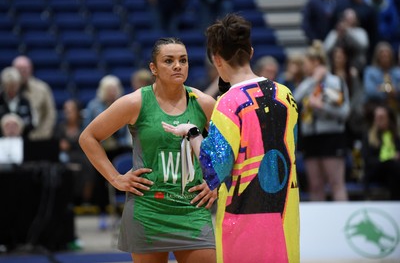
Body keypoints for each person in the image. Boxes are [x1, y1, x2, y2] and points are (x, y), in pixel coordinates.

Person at [162, 14, 300, 263]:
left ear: (216, 59)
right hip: (284, 214)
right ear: (251, 51)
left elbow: (215, 169)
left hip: (244, 220)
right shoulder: (286, 94)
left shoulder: (227, 103)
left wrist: (192, 132)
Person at [79, 37, 217, 263]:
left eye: (183, 60)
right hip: (148, 208)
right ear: (153, 68)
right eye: (169, 61)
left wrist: (216, 182)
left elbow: (230, 147)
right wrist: (115, 178)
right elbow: (88, 137)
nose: (178, 66)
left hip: (191, 208)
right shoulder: (135, 102)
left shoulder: (203, 102)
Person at [293, 40, 350, 201]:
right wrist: (313, 80)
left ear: (316, 62)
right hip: (310, 137)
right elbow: (293, 99)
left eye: (306, 63)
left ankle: (343, 222)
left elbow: (345, 111)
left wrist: (322, 107)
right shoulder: (307, 83)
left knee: (336, 183)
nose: (304, 67)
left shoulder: (335, 81)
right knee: (315, 184)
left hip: (331, 136)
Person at [83, 74, 130, 229]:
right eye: (109, 89)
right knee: (100, 182)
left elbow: (127, 130)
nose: (111, 92)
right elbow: (87, 129)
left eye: (114, 89)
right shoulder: (93, 105)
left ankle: (122, 213)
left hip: (118, 148)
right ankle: (102, 213)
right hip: (101, 148)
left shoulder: (123, 104)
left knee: (124, 177)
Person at [54, 99, 95, 206]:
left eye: (70, 110)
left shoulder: (83, 126)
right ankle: (68, 199)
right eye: (65, 110)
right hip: (65, 156)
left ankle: (86, 201)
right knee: (64, 163)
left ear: (77, 112)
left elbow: (86, 143)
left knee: (88, 165)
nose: (67, 113)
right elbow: (58, 144)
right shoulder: (60, 127)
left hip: (81, 155)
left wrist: (70, 145)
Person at [12, 56, 57, 140]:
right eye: (19, 69)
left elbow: (50, 114)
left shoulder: (42, 89)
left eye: (25, 69)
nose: (22, 72)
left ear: (31, 69)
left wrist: (41, 135)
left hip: (37, 137)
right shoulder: (5, 90)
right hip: (10, 140)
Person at [361, 104, 400, 200]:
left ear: (389, 119)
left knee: (393, 170)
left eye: (381, 117)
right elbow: (368, 161)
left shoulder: (396, 136)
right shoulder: (369, 136)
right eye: (376, 117)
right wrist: (388, 159)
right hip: (375, 171)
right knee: (392, 165)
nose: (378, 120)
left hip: (392, 173)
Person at [0, 66, 34, 138]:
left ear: (18, 85)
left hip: (23, 140)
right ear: (4, 86)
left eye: (14, 86)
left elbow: (32, 123)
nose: (12, 89)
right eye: (9, 86)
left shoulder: (25, 101)